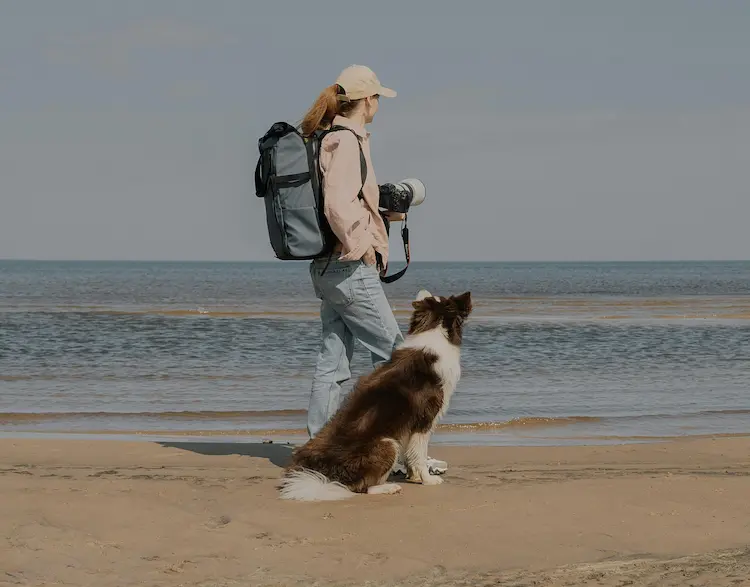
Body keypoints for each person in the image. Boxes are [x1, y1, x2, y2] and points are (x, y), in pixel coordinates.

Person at [300, 64, 447, 476]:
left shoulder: (327, 138)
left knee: (333, 364)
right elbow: (336, 204)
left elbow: (344, 202)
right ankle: (406, 455)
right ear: (368, 101)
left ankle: (320, 452)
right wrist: (363, 246)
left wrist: (381, 217)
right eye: (378, 97)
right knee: (402, 362)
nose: (379, 104)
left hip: (328, 268)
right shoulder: (346, 142)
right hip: (349, 269)